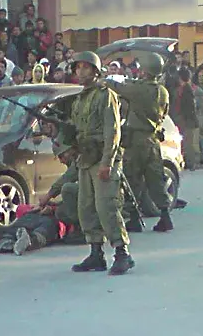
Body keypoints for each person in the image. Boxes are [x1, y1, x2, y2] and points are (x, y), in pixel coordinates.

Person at [69, 51, 133, 275]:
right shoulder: (79, 99)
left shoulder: (106, 95)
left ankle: (122, 253)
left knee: (107, 206)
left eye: (85, 67)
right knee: (86, 207)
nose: (81, 71)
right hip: (86, 159)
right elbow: (75, 130)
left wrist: (107, 161)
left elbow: (112, 132)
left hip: (103, 159)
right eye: (78, 68)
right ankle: (96, 253)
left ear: (95, 71)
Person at [100, 52, 173, 233]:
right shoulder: (162, 92)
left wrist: (105, 79)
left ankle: (133, 219)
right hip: (153, 140)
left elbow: (120, 88)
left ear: (145, 71)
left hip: (137, 141)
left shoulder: (139, 90)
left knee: (132, 178)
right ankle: (165, 215)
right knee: (156, 179)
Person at [0, 134, 83, 255]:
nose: (61, 160)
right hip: (62, 212)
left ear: (71, 150)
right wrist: (50, 204)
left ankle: (30, 241)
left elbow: (79, 200)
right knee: (30, 216)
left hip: (69, 220)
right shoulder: (76, 166)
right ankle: (7, 238)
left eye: (62, 156)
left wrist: (52, 207)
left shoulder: (84, 168)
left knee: (47, 225)